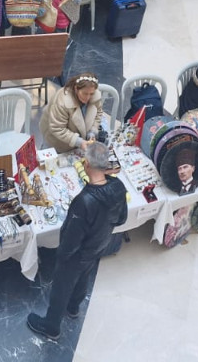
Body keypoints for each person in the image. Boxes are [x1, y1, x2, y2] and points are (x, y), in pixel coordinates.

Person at [27, 141, 127, 341]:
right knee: (84, 277)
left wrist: (62, 257)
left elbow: (71, 240)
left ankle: (52, 327)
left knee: (61, 288)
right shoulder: (118, 186)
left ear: (87, 165)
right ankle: (73, 308)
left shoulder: (85, 201)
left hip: (77, 254)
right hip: (98, 246)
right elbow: (122, 218)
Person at [43, 73, 104, 153]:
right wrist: (78, 141)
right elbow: (57, 128)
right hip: (59, 143)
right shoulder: (62, 102)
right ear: (76, 89)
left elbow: (98, 113)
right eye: (85, 93)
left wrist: (92, 131)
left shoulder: (95, 97)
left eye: (91, 94)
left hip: (80, 143)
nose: (88, 97)